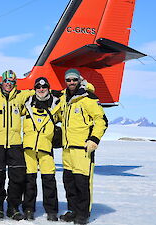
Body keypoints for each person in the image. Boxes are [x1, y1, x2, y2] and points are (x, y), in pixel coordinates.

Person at [57, 69, 108, 225]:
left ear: (79, 80)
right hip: (67, 150)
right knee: (69, 183)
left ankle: (83, 213)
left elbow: (102, 120)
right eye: (68, 80)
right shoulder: (64, 99)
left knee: (82, 183)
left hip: (82, 150)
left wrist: (94, 139)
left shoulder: (88, 98)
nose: (71, 82)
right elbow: (59, 116)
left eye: (74, 79)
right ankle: (73, 210)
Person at [0, 70, 33, 221]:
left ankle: (13, 207)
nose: (8, 85)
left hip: (14, 144)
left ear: (15, 83)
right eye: (6, 82)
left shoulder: (20, 96)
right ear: (1, 82)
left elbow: (38, 91)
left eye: (12, 82)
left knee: (18, 177)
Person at [22, 77, 59, 221]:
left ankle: (51, 210)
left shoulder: (56, 104)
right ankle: (29, 209)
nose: (41, 89)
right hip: (29, 149)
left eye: (44, 87)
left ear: (48, 88)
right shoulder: (27, 103)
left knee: (49, 180)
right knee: (29, 181)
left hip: (46, 148)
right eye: (38, 87)